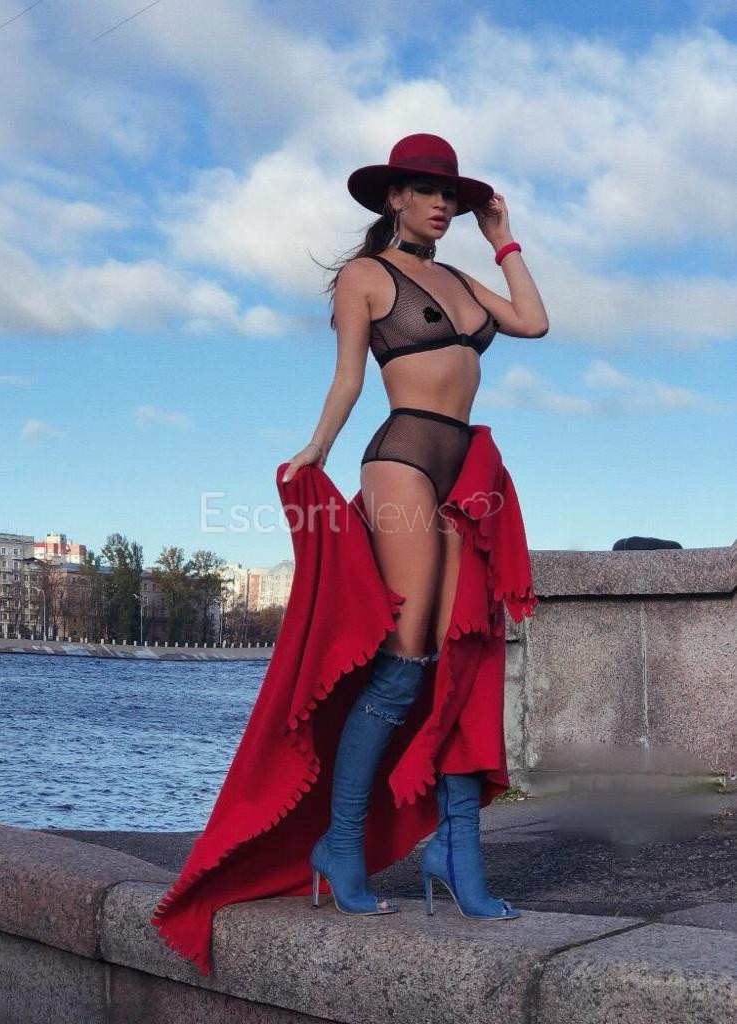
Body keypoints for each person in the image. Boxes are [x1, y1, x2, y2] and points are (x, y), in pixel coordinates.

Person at [280, 133, 548, 920]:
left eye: (451, 195)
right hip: (402, 461)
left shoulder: (462, 279)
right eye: (427, 190)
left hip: (468, 469)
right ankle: (340, 842)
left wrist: (503, 240)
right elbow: (347, 380)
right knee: (404, 663)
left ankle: (457, 851)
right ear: (393, 197)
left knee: (460, 656)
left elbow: (533, 321)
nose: (441, 204)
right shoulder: (366, 276)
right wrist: (317, 448)